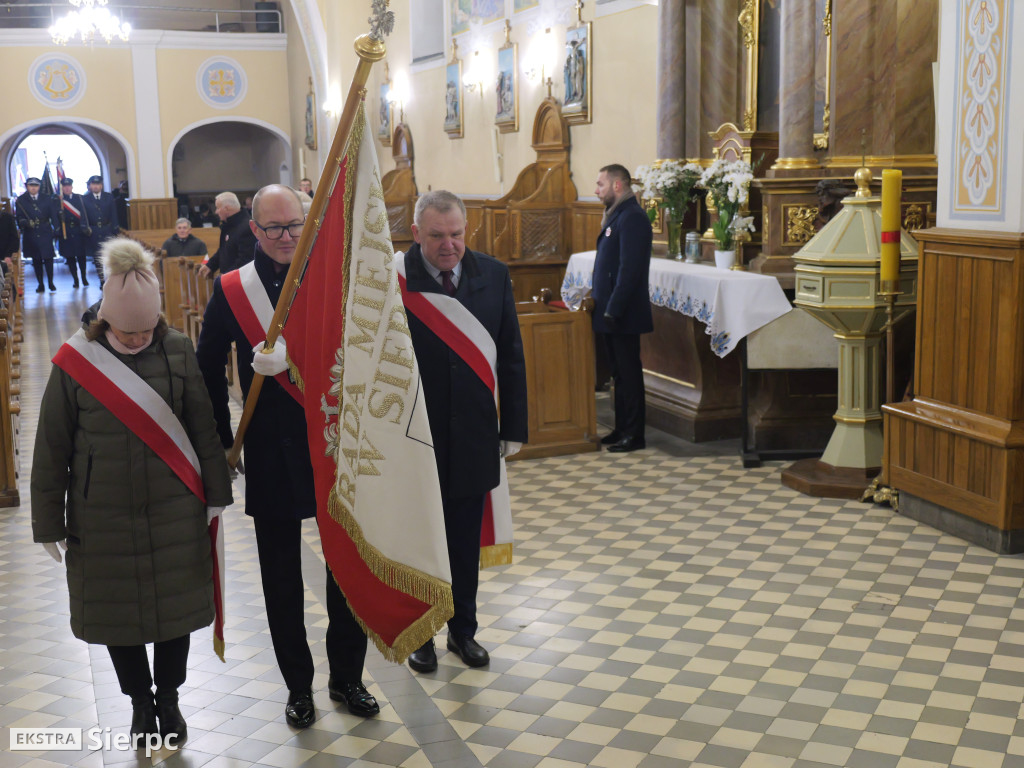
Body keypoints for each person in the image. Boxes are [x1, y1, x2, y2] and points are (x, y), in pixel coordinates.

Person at [31, 238, 233, 749]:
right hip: (101, 512)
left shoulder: (176, 349)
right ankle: (139, 702)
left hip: (174, 506)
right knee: (118, 615)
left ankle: (169, 698)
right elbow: (52, 446)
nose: (140, 339)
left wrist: (216, 493)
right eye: (128, 331)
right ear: (106, 321)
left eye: (148, 330)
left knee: (175, 611)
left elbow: (201, 425)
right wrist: (48, 523)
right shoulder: (76, 362)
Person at [195, 184, 378, 728]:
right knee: (280, 577)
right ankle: (298, 687)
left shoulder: (331, 276)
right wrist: (224, 434)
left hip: (333, 439)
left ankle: (348, 677)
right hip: (271, 448)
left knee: (346, 564)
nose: (285, 237)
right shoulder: (232, 289)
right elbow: (207, 365)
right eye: (273, 228)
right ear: (253, 230)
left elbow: (363, 343)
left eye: (295, 225)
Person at [402, 190, 528, 674]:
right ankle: (422, 635)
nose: (449, 245)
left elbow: (511, 353)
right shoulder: (394, 282)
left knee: (462, 542)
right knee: (421, 541)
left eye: (456, 234)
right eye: (437, 236)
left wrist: (512, 426)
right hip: (416, 438)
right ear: (417, 234)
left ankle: (463, 631)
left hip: (474, 435)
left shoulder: (491, 274)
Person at [591, 164, 653, 453]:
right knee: (617, 373)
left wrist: (613, 308)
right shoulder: (618, 215)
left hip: (623, 312)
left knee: (629, 373)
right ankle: (621, 428)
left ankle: (634, 434)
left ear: (617, 185)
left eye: (600, 184)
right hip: (609, 310)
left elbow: (630, 270)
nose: (596, 190)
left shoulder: (633, 218)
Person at [15, 177, 59, 293]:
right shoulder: (21, 200)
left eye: (36, 185)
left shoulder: (47, 198)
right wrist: (24, 222)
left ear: (39, 186)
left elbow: (53, 215)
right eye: (31, 185)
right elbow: (19, 217)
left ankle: (50, 282)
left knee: (49, 258)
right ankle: (40, 284)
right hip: (31, 233)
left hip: (45, 230)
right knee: (36, 260)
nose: (33, 188)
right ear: (27, 186)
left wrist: (57, 228)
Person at [197, 192, 255, 278]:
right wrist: (210, 265)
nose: (216, 212)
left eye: (217, 208)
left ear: (227, 209)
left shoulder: (247, 228)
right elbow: (224, 250)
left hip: (241, 282)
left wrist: (225, 277)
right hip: (229, 280)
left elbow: (246, 260)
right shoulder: (228, 225)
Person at [82, 175, 120, 287]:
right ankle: (102, 280)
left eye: (98, 184)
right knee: (97, 257)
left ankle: (110, 279)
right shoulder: (85, 199)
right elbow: (83, 216)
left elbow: (113, 213)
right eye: (93, 184)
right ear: (90, 186)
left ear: (101, 185)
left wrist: (115, 228)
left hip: (107, 229)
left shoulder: (108, 197)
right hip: (93, 231)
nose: (96, 186)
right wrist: (85, 228)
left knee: (108, 256)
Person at [56, 177, 92, 288]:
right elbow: (54, 216)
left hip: (79, 232)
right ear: (62, 188)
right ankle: (75, 279)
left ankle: (84, 277)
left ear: (72, 186)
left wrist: (85, 227)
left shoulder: (79, 198)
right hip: (66, 232)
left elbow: (85, 213)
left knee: (82, 257)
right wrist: (60, 215)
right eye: (64, 186)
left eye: (68, 186)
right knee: (70, 258)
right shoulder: (59, 201)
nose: (67, 188)